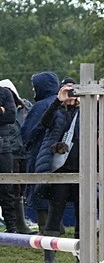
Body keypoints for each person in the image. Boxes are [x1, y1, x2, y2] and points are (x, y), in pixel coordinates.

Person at [34, 79, 81, 263]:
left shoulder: (85, 112)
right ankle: (49, 260)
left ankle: (80, 258)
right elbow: (44, 123)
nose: (70, 95)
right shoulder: (57, 111)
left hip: (81, 170)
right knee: (55, 215)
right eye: (67, 90)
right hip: (59, 170)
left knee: (83, 217)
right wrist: (57, 100)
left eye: (73, 91)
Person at [21, 71, 59, 233]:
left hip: (39, 156)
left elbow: (28, 133)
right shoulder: (60, 103)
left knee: (39, 193)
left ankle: (45, 230)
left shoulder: (40, 106)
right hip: (58, 157)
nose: (33, 90)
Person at [0, 81, 33, 234]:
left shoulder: (4, 92)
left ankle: (12, 226)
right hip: (6, 144)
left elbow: (10, 116)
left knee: (7, 188)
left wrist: (4, 111)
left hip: (4, 147)